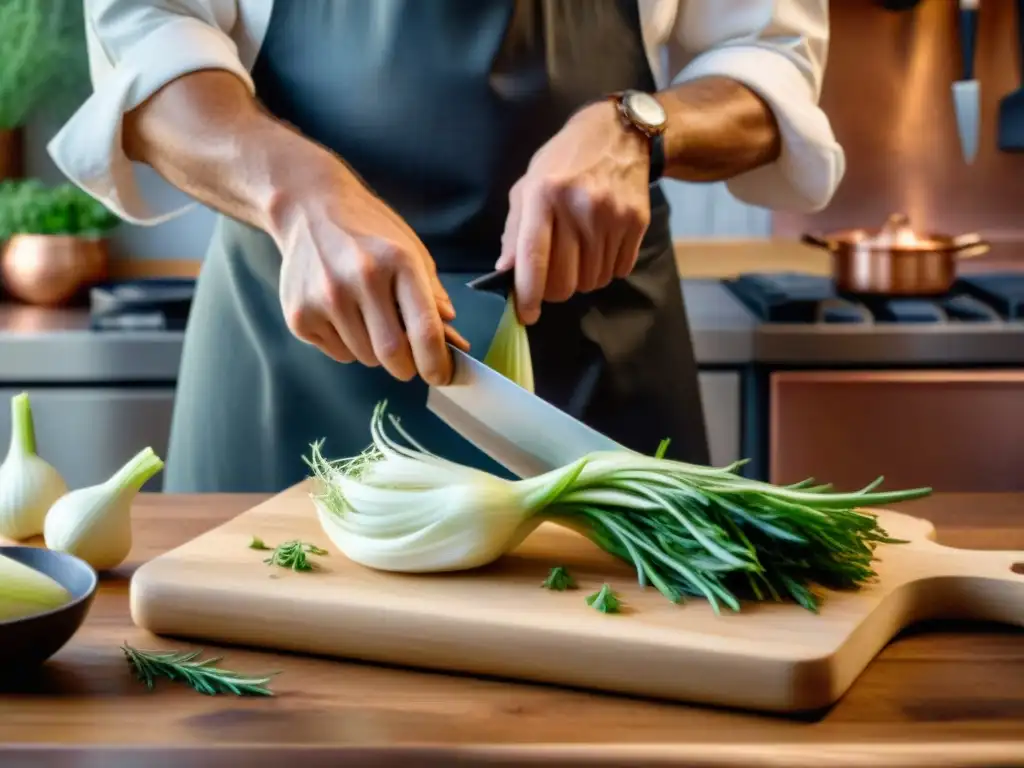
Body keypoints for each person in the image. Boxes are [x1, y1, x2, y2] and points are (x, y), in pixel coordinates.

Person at [49, 1, 844, 493]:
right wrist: (297, 193)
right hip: (290, 365)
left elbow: (769, 62)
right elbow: (144, 40)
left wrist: (639, 130)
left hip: (599, 370)